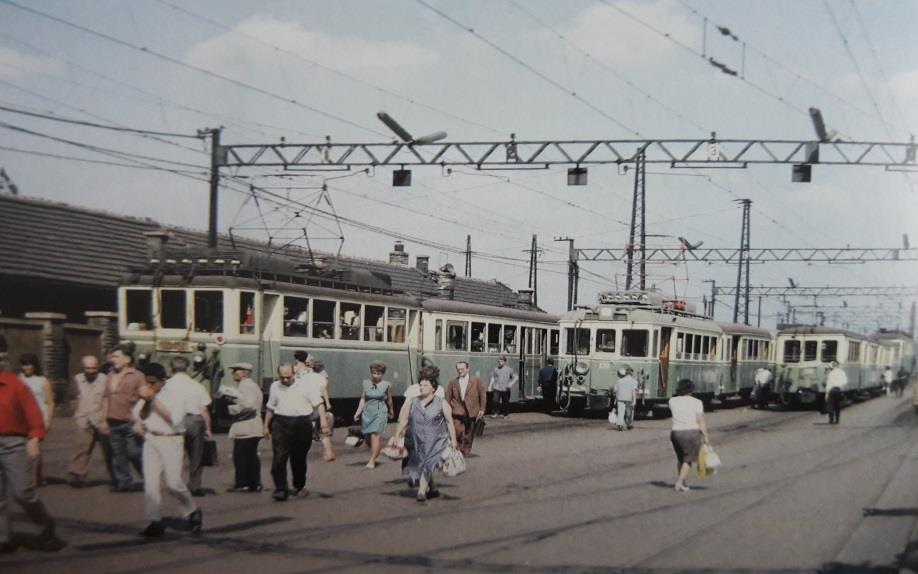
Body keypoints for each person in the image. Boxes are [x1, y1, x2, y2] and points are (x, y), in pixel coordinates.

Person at [0, 343, 65, 553]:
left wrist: (34, 439)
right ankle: (4, 538)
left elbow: (33, 414)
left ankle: (47, 527)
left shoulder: (14, 385)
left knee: (22, 492)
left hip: (13, 443)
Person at [133, 363, 202, 537]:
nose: (149, 386)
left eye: (152, 382)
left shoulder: (174, 393)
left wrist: (153, 399)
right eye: (146, 382)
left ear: (162, 381)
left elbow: (174, 418)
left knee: (173, 483)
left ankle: (192, 510)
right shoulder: (147, 392)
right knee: (151, 483)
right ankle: (154, 521)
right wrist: (138, 423)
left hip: (171, 439)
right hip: (151, 439)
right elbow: (138, 414)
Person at [263, 363, 329, 501]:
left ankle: (299, 486)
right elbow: (270, 407)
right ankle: (280, 489)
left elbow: (319, 404)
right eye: (282, 378)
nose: (285, 380)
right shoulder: (275, 386)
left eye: (288, 377)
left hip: (301, 423)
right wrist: (265, 426)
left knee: (298, 458)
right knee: (279, 458)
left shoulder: (305, 386)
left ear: (294, 374)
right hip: (280, 423)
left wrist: (323, 423)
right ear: (278, 376)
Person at [394, 366, 458, 502]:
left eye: (425, 385)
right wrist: (397, 434)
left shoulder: (442, 403)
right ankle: (433, 488)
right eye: (421, 385)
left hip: (436, 440)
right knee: (421, 463)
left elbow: (449, 422)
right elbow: (404, 419)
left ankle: (421, 491)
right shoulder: (412, 402)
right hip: (415, 438)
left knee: (428, 463)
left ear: (433, 388)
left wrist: (453, 440)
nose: (421, 387)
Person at [99, 343, 145, 492]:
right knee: (118, 455)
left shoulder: (137, 376)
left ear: (127, 359)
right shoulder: (110, 375)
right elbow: (106, 398)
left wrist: (139, 421)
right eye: (113, 356)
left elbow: (144, 399)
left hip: (130, 421)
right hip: (113, 421)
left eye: (116, 356)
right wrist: (104, 419)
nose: (113, 359)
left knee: (134, 452)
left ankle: (148, 476)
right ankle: (124, 483)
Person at [166, 357, 213, 497]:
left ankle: (175, 485)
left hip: (175, 421)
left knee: (175, 455)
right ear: (188, 369)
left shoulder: (166, 385)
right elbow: (204, 409)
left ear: (171, 369)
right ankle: (194, 487)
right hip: (195, 421)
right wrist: (208, 429)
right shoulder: (196, 385)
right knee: (196, 456)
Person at [68, 355, 113, 488]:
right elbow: (76, 397)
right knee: (81, 449)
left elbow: (106, 400)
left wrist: (105, 420)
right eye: (88, 368)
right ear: (83, 368)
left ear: (98, 367)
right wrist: (78, 414)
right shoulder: (77, 379)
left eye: (94, 368)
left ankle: (117, 477)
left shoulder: (104, 379)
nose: (91, 371)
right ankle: (77, 476)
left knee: (109, 451)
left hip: (100, 418)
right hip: (83, 419)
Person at [226, 362, 263, 493]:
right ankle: (254, 483)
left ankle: (243, 483)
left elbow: (249, 406)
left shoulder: (246, 386)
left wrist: (231, 409)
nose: (233, 373)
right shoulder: (248, 385)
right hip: (250, 426)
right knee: (250, 456)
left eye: (235, 370)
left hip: (247, 426)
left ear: (243, 372)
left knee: (241, 456)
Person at [18, 354, 54, 487]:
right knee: (33, 449)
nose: (26, 367)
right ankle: (39, 477)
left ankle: (32, 481)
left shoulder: (43, 381)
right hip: (22, 419)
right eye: (23, 364)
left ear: (34, 366)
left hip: (38, 419)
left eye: (28, 364)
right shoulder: (19, 380)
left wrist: (48, 420)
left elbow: (50, 402)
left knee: (33, 451)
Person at [668, 379, 709, 493]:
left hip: (676, 432)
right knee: (688, 460)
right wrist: (705, 436)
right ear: (692, 390)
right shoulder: (697, 402)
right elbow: (700, 420)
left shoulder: (672, 401)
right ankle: (679, 482)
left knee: (680, 458)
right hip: (691, 432)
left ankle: (683, 482)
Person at [353, 361, 394, 469]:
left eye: (378, 373)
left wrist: (391, 411)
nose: (376, 376)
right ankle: (376, 452)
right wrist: (358, 412)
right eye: (374, 373)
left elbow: (389, 400)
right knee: (367, 437)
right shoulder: (365, 383)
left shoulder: (387, 385)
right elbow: (363, 399)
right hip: (367, 412)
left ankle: (372, 460)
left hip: (380, 411)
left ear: (382, 374)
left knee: (374, 435)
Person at [446, 361, 487, 456]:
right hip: (457, 410)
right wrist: (447, 410)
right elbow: (448, 397)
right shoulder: (453, 382)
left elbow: (482, 395)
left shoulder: (476, 381)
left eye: (462, 369)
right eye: (458, 369)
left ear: (467, 369)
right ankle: (459, 449)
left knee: (469, 431)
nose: (460, 371)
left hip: (472, 410)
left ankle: (466, 450)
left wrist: (482, 409)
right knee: (458, 431)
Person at [310, 359, 337, 462]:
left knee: (315, 417)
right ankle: (321, 435)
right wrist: (328, 402)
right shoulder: (323, 376)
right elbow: (324, 388)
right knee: (322, 417)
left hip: (312, 398)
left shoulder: (310, 375)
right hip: (319, 398)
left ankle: (314, 434)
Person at [613, 367, 639, 431]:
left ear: (625, 374)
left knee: (620, 412)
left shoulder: (619, 380)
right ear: (631, 374)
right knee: (629, 412)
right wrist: (634, 400)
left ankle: (620, 425)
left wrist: (616, 398)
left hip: (620, 398)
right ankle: (629, 424)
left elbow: (615, 390)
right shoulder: (634, 381)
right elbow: (633, 391)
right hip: (629, 399)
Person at [825, 361, 847, 425]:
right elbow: (845, 381)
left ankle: (831, 420)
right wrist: (840, 386)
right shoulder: (842, 372)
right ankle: (837, 420)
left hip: (832, 390)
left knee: (830, 405)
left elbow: (829, 383)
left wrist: (826, 393)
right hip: (838, 389)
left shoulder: (831, 373)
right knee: (837, 406)